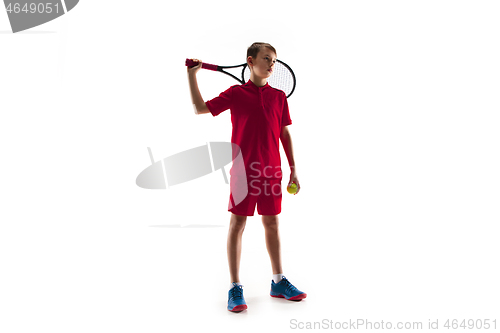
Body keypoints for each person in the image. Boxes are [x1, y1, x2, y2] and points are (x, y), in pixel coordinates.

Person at [187, 42, 306, 312]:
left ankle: (278, 282)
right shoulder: (236, 93)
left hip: (272, 171)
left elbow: (284, 133)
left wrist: (293, 168)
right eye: (266, 59)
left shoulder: (278, 97)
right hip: (244, 171)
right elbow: (199, 108)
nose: (272, 64)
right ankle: (235, 287)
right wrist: (192, 76)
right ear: (250, 61)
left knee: (272, 224)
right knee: (237, 225)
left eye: (274, 60)